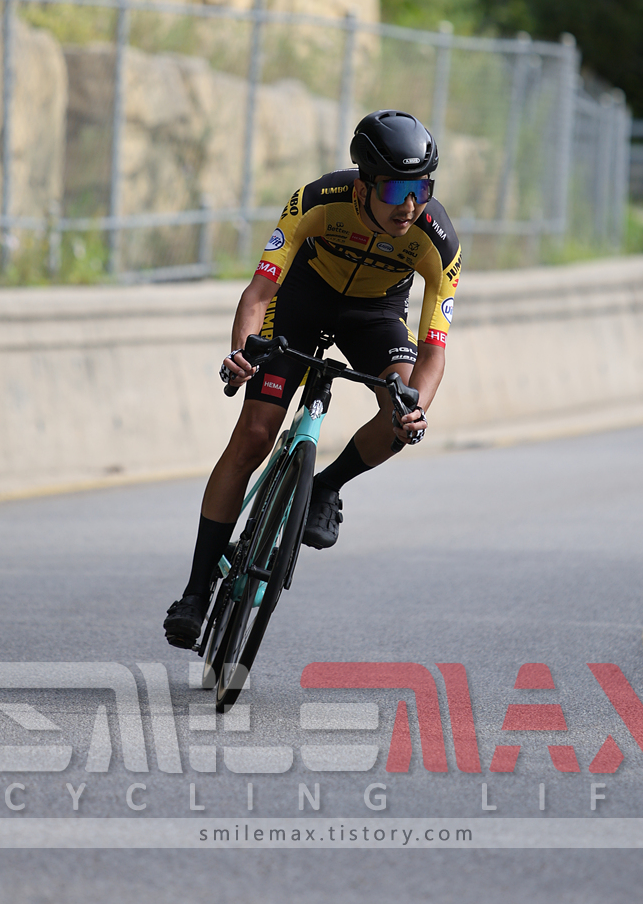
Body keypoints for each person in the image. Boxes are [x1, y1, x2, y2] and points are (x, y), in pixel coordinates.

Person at [163, 109, 462, 648]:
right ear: (364, 186)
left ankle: (325, 486)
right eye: (395, 189)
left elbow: (433, 351)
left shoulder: (438, 241)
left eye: (422, 188)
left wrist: (417, 407)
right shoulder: (317, 200)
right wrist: (241, 352)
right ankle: (195, 591)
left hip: (375, 315)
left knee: (401, 409)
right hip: (302, 300)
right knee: (254, 435)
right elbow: (258, 295)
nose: (410, 205)